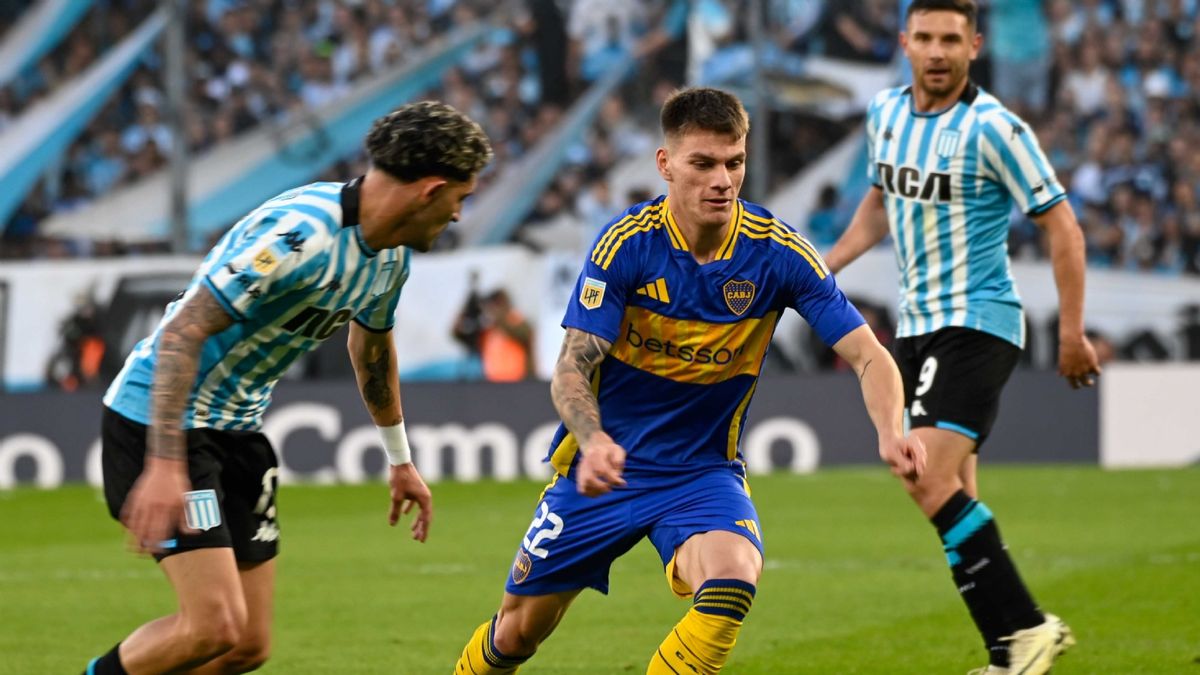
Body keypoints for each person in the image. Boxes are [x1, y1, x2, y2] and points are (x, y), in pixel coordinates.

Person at [453, 86, 926, 675]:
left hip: (699, 474)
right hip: (604, 470)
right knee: (516, 634)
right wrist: (593, 441)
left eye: (734, 163)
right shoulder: (626, 246)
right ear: (666, 164)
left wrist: (891, 431)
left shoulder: (778, 254)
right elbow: (573, 366)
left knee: (734, 575)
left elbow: (869, 355)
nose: (722, 180)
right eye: (703, 163)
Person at [84, 101, 492, 675]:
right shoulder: (300, 236)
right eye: (461, 198)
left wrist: (400, 459)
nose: (457, 215)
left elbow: (371, 351)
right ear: (431, 190)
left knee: (247, 645)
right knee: (212, 626)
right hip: (162, 422)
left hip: (238, 431)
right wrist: (165, 463)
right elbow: (183, 330)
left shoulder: (390, 260)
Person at [824, 2, 1101, 673]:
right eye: (925, 38)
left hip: (977, 322)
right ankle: (1008, 652)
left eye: (951, 39)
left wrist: (1072, 331)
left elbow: (1062, 226)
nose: (937, 51)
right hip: (916, 329)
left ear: (975, 46)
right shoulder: (886, 114)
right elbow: (880, 202)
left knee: (922, 474)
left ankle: (1028, 627)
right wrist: (822, 268)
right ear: (905, 42)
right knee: (949, 498)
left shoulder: (995, 128)